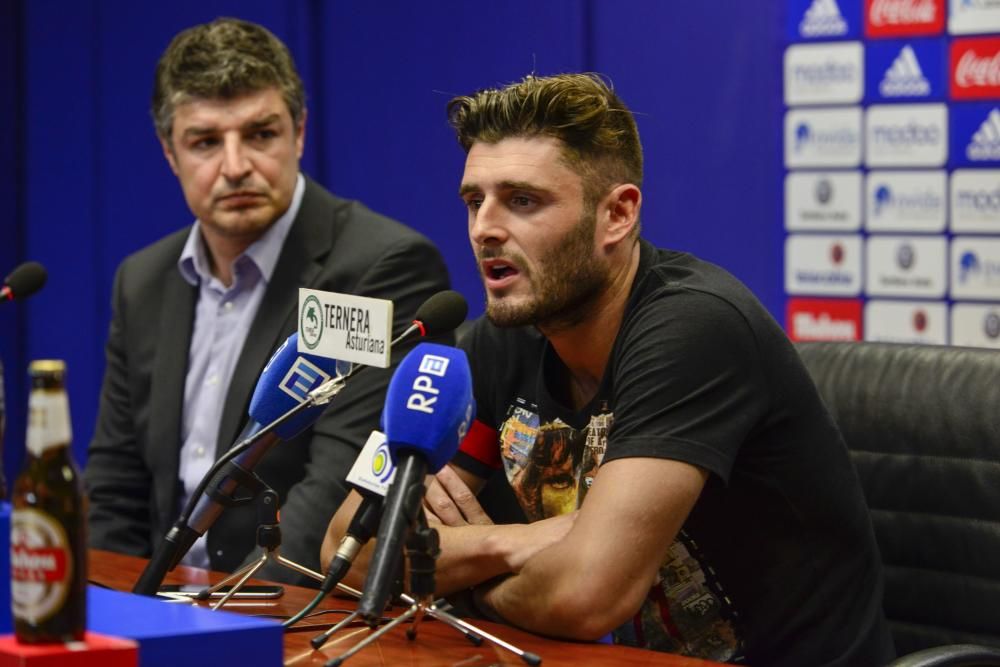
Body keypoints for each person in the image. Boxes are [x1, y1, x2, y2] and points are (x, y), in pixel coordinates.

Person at [323, 73, 894, 665]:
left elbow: (584, 594)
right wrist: (510, 542)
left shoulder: (693, 329)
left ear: (617, 214)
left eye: (522, 201)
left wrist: (457, 576)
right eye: (474, 200)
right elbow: (347, 548)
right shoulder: (500, 339)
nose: (484, 228)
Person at [85, 18, 451, 587]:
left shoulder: (382, 269)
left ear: (299, 133)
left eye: (260, 134)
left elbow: (335, 493)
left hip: (280, 611)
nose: (235, 167)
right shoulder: (143, 281)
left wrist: (230, 624)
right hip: (158, 599)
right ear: (169, 153)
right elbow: (116, 491)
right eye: (205, 141)